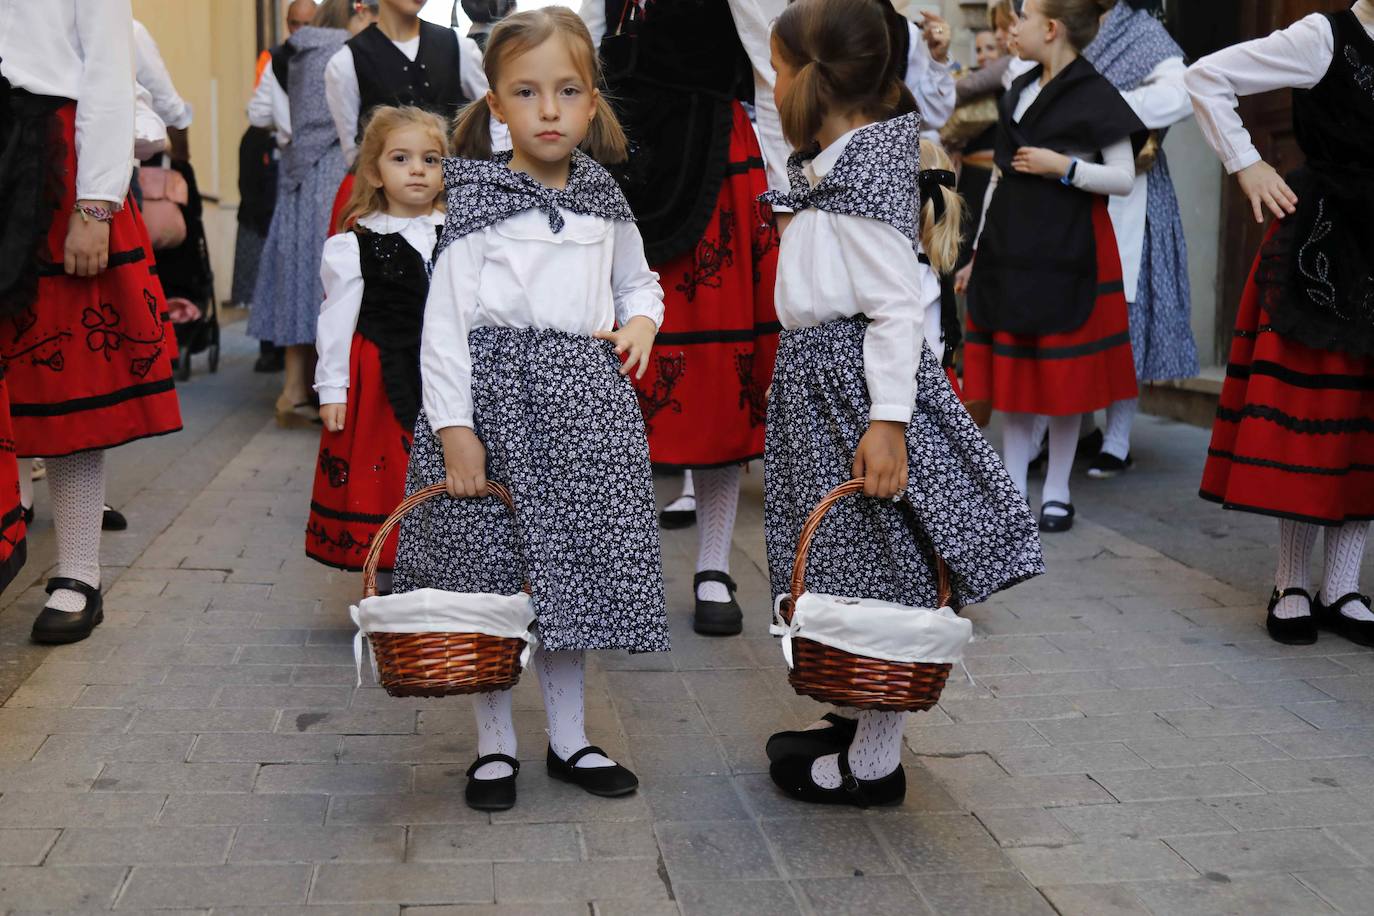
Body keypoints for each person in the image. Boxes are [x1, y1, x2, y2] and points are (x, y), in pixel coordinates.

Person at [760, 0, 1043, 808]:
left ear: (812, 82)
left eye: (779, 70)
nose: (772, 85)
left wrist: (887, 424)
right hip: (827, 389)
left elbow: (891, 307)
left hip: (858, 395)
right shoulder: (836, 161)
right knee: (844, 556)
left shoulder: (859, 176)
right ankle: (856, 719)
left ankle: (876, 762)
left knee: (884, 564)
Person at [391, 8, 670, 812]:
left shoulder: (605, 198)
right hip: (492, 410)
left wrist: (644, 319)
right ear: (497, 103)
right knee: (490, 577)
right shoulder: (476, 198)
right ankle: (493, 745)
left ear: (591, 103)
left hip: (584, 414)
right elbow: (443, 324)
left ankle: (569, 737)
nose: (549, 109)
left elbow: (637, 281)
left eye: (567, 91)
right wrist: (454, 431)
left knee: (569, 574)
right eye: (527, 92)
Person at [582, 0, 788, 637]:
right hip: (619, 155)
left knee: (714, 378)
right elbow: (586, 45)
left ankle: (713, 565)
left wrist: (783, 193)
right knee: (602, 375)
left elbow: (771, 67)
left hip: (711, 164)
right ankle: (607, 567)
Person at [1186, 0, 1374, 646]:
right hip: (1323, 250)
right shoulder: (1325, 35)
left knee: (1365, 424)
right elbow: (1207, 76)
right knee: (1312, 416)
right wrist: (1246, 162)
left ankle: (1342, 585)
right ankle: (1292, 579)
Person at [0, 0, 183, 640]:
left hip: (50, 164)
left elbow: (108, 77)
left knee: (69, 381)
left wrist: (97, 202)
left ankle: (78, 572)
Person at [962, 0, 1144, 534]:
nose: (1012, 27)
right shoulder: (1017, 92)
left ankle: (1058, 489)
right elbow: (998, 177)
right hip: (1013, 248)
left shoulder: (1094, 93)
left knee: (1065, 374)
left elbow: (1123, 177)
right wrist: (976, 250)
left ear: (1051, 28)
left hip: (1071, 250)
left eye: (1022, 17)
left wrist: (1062, 167)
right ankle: (1014, 491)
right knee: (1018, 370)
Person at [306, 106, 447, 574]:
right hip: (382, 376)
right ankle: (389, 567)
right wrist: (332, 388)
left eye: (431, 160)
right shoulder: (356, 244)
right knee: (388, 469)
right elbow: (335, 319)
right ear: (374, 171)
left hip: (447, 371)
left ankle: (443, 563)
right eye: (402, 159)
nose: (418, 171)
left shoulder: (458, 236)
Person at [1079, 0, 1195, 476]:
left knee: (1126, 313)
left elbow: (1184, 92)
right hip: (1069, 179)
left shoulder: (1140, 30)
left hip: (1133, 190)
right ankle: (1077, 427)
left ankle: (1118, 437)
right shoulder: (1067, 19)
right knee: (1073, 311)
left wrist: (1106, 108)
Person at [249, 0, 376, 428]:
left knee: (297, 281)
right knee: (336, 283)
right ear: (355, 16)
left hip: (295, 175)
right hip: (333, 172)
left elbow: (260, 113)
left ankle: (292, 391)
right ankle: (330, 395)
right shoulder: (348, 52)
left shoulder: (291, 52)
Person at [324, 0, 492, 232]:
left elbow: (491, 121)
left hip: (457, 207)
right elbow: (354, 153)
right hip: (385, 217)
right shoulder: (345, 63)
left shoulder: (459, 47)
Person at [238, 0, 317, 374]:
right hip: (316, 173)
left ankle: (294, 379)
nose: (300, 31)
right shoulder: (334, 57)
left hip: (293, 169)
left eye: (306, 23)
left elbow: (257, 114)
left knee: (292, 266)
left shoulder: (277, 60)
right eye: (296, 24)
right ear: (288, 23)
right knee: (309, 271)